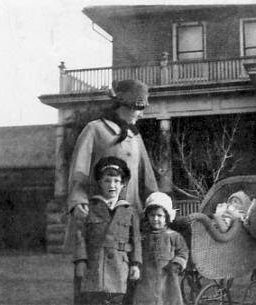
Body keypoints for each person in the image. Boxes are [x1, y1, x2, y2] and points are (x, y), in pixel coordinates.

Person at [68, 79, 159, 304]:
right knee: (91, 282)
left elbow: (148, 179)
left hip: (129, 221)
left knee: (128, 283)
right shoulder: (95, 129)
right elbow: (78, 171)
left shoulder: (135, 136)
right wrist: (78, 200)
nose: (141, 114)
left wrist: (157, 204)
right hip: (97, 219)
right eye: (139, 108)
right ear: (124, 105)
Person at [74, 156, 141, 305]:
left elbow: (136, 240)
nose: (112, 185)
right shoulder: (90, 207)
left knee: (117, 300)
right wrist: (81, 260)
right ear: (99, 182)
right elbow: (80, 236)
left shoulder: (129, 210)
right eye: (107, 181)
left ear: (123, 184)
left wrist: (135, 264)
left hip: (120, 268)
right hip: (95, 267)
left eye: (117, 181)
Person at [133, 192, 189, 305]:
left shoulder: (173, 236)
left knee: (168, 300)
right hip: (146, 278)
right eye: (152, 215)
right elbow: (137, 251)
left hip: (167, 277)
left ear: (167, 217)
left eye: (160, 215)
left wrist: (176, 264)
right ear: (147, 216)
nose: (155, 219)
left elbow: (183, 252)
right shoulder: (143, 236)